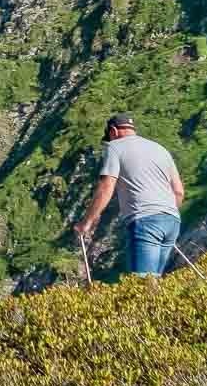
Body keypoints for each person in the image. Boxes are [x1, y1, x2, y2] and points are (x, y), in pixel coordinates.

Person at [74, 113, 186, 277]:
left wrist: (86, 222)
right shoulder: (160, 149)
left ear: (113, 131)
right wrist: (165, 213)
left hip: (145, 221)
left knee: (142, 284)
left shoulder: (115, 147)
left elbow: (107, 186)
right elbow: (178, 191)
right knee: (155, 282)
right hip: (172, 221)